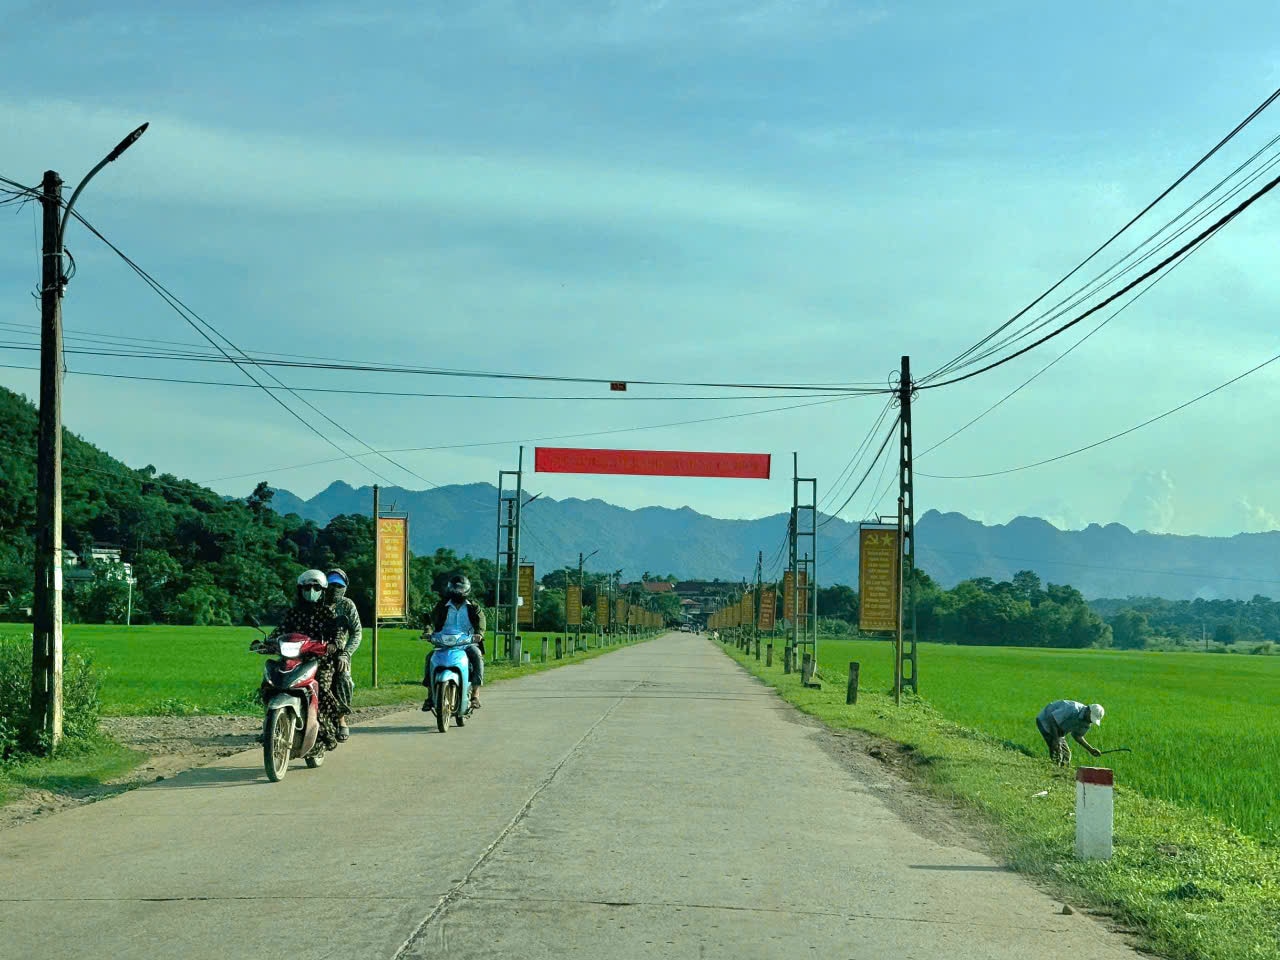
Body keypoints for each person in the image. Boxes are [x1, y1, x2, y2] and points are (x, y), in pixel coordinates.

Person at [261, 569, 343, 752]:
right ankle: (270, 723)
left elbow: (338, 633)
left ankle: (323, 733)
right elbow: (280, 630)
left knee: (322, 687)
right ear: (300, 590)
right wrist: (267, 643)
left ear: (323, 590)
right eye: (307, 587)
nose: (311, 591)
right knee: (270, 682)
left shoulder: (328, 613)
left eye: (316, 587)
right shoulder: (294, 613)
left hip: (319, 660)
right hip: (293, 658)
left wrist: (334, 644)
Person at [421, 574, 486, 713]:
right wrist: (428, 631)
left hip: (466, 642)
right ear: (449, 589)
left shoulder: (473, 607)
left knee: (477, 655)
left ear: (467, 590)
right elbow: (431, 622)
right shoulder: (442, 606)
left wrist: (479, 634)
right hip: (444, 642)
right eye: (455, 588)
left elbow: (481, 621)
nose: (458, 591)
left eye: (461, 588)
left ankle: (475, 694)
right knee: (430, 658)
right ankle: (430, 696)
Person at [325, 567, 362, 742]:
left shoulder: (347, 605)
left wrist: (346, 653)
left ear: (344, 587)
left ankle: (341, 719)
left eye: (338, 585)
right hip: (312, 649)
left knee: (343, 676)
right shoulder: (315, 600)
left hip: (338, 652)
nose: (334, 589)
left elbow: (357, 633)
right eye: (331, 584)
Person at [1035, 700, 1104, 766]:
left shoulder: (1087, 722)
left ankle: (1061, 771)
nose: (1091, 721)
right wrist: (1056, 739)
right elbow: (1052, 719)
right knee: (1057, 750)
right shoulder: (1072, 708)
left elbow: (1077, 736)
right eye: (1091, 717)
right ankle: (1054, 770)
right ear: (1088, 710)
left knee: (1066, 755)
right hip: (1045, 720)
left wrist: (1090, 749)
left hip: (1059, 729)